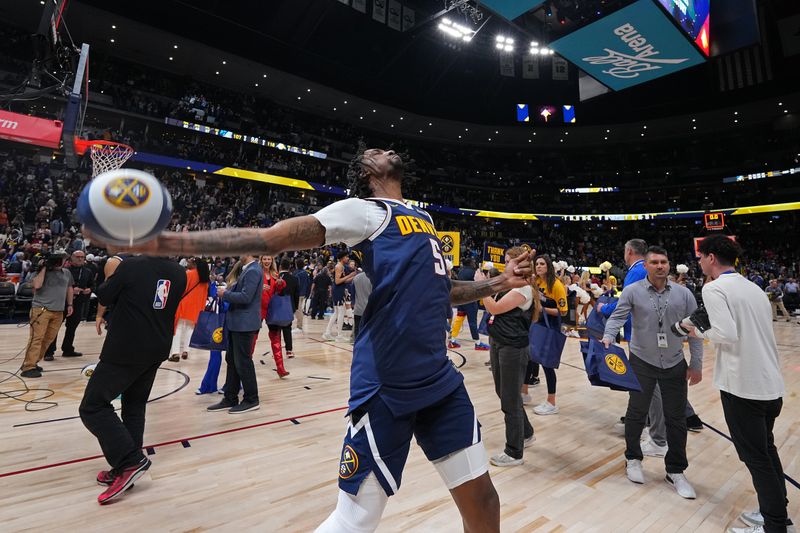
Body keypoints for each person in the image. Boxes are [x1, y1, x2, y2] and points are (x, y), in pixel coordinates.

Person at [96, 148, 533, 533]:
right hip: (387, 383)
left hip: (438, 380)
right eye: (377, 150)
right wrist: (166, 241)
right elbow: (268, 239)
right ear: (366, 170)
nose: (387, 149)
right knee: (356, 519)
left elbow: (446, 290)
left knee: (485, 501)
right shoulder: (363, 212)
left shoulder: (425, 219)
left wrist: (498, 281)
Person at [691, 235, 792, 533]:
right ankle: (776, 511)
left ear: (711, 258)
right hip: (770, 384)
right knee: (767, 450)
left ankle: (774, 526)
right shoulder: (754, 288)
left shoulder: (714, 288)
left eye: (700, 258)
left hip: (742, 386)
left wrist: (693, 330)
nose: (699, 263)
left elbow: (725, 334)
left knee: (756, 458)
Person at [79, 255, 188, 504]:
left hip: (126, 347)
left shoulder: (129, 266)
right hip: (157, 347)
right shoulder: (179, 273)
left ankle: (130, 461)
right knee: (134, 406)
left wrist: (110, 273)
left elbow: (105, 296)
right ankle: (127, 467)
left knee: (92, 407)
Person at [602, 246, 703, 500]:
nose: (660, 266)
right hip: (642, 361)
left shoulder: (684, 294)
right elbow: (617, 316)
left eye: (664, 261)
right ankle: (633, 458)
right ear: (645, 266)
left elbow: (695, 332)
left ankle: (676, 470)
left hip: (674, 362)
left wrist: (697, 364)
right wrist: (608, 336)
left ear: (669, 265)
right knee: (636, 413)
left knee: (676, 419)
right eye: (655, 262)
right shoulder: (633, 291)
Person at [479, 249, 539, 467]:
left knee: (510, 399)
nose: (505, 265)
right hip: (499, 342)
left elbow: (493, 308)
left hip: (513, 347)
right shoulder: (509, 285)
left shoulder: (523, 289)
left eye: (508, 261)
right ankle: (527, 432)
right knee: (502, 392)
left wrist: (481, 286)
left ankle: (514, 452)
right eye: (505, 261)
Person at [206, 254, 263, 413]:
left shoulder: (253, 270)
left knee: (243, 362)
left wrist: (225, 294)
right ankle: (230, 397)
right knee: (232, 359)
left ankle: (252, 399)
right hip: (237, 323)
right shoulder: (248, 269)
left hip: (244, 324)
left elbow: (246, 297)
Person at [20, 250, 73, 378]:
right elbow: (37, 285)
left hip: (59, 311)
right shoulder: (40, 271)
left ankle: (33, 362)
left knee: (48, 339)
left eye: (63, 259)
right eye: (58, 259)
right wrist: (43, 267)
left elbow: (69, 287)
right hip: (41, 310)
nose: (60, 262)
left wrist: (70, 304)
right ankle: (28, 367)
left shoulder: (67, 272)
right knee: (37, 338)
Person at [529, 254, 568, 416]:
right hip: (537, 325)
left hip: (550, 328)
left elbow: (563, 311)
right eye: (537, 264)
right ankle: (524, 392)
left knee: (547, 365)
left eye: (542, 264)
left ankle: (551, 402)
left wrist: (542, 309)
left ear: (548, 266)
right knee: (530, 358)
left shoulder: (556, 285)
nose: (538, 266)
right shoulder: (536, 281)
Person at [46, 249, 94, 359]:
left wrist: (89, 289)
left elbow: (92, 284)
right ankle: (49, 352)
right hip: (62, 303)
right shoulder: (63, 270)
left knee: (72, 328)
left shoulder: (87, 271)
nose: (80, 259)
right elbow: (56, 285)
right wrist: (71, 289)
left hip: (78, 303)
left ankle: (67, 349)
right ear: (71, 258)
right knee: (55, 327)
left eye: (82, 257)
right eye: (77, 256)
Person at [169, 258, 210, 361]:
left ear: (195, 264)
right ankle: (186, 351)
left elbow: (181, 289)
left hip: (184, 305)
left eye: (190, 262)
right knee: (189, 330)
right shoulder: (205, 279)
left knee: (177, 329)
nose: (188, 263)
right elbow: (204, 296)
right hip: (196, 307)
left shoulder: (189, 274)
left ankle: (175, 353)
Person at [449, 257, 491, 351]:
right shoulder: (474, 272)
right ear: (471, 263)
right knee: (472, 322)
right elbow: (480, 285)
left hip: (461, 300)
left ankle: (452, 341)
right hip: (470, 301)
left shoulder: (460, 271)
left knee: (458, 320)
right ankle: (478, 343)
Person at [323, 251, 356, 342]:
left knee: (336, 313)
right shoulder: (339, 266)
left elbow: (344, 281)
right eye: (346, 257)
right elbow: (338, 281)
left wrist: (353, 276)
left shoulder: (341, 266)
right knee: (340, 312)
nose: (348, 258)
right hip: (338, 290)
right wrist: (349, 275)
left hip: (339, 289)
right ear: (342, 258)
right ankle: (339, 335)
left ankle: (327, 333)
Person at [277, 258, 299, 358]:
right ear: (290, 267)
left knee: (275, 330)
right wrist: (295, 307)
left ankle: (276, 351)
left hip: (276, 306)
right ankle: (289, 350)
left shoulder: (276, 277)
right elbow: (296, 294)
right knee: (287, 328)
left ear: (280, 266)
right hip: (289, 306)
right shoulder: (294, 278)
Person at [352, 268, 372, 339]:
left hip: (358, 308)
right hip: (369, 308)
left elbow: (353, 294)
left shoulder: (355, 278)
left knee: (357, 329)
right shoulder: (372, 278)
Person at [293, 258, 312, 333]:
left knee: (298, 310)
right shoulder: (305, 273)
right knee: (299, 309)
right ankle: (299, 326)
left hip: (298, 294)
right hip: (303, 293)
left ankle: (299, 327)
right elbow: (308, 284)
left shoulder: (296, 273)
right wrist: (307, 293)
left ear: (296, 264)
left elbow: (295, 285)